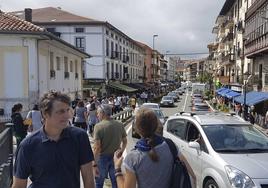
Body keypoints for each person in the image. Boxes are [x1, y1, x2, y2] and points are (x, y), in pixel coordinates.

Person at [12, 91, 95, 188]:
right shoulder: (27, 146)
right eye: (60, 111)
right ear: (45, 114)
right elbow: (18, 185)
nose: (67, 116)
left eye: (67, 110)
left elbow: (88, 179)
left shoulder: (80, 137)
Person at [113, 108, 196, 188]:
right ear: (156, 125)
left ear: (136, 129)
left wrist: (117, 169)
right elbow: (192, 176)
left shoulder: (132, 158)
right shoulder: (171, 145)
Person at [93, 104, 127, 188]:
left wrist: (94, 164)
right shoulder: (119, 124)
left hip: (102, 158)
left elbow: (97, 148)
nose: (97, 115)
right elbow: (125, 141)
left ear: (102, 113)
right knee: (115, 183)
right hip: (116, 157)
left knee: (99, 183)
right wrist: (121, 151)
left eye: (98, 113)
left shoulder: (98, 126)